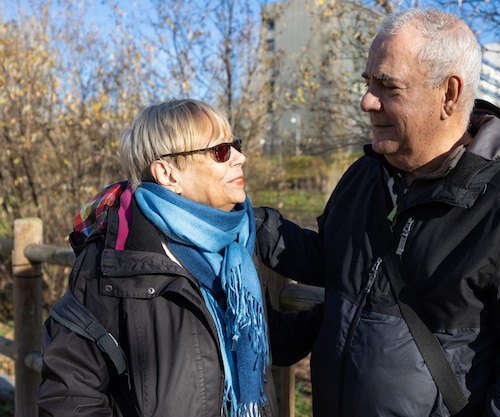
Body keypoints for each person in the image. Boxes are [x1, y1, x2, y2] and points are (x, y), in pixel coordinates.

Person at [254, 8, 500, 417]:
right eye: (368, 82)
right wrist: (241, 221)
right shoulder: (364, 176)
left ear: (448, 94)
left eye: (387, 86)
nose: (366, 101)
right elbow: (334, 259)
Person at [38, 99, 319, 417]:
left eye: (235, 145)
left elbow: (264, 341)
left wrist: (340, 314)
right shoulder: (115, 262)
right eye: (221, 151)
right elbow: (68, 393)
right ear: (168, 174)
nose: (240, 158)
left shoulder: (236, 244)